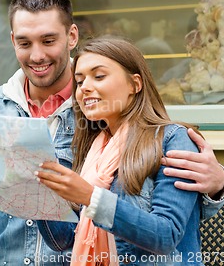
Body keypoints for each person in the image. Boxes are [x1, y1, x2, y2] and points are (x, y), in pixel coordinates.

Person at [0, 0, 224, 266]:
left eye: (48, 40)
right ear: (13, 41)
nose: (37, 54)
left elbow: (170, 225)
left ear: (71, 36)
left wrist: (218, 185)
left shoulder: (108, 126)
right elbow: (62, 234)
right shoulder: (90, 136)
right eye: (81, 80)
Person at [34, 35, 212, 264]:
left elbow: (166, 236)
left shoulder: (173, 140)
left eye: (98, 76)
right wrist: (38, 194)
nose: (85, 87)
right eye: (79, 81)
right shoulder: (93, 148)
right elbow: (64, 241)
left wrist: (91, 198)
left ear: (134, 84)